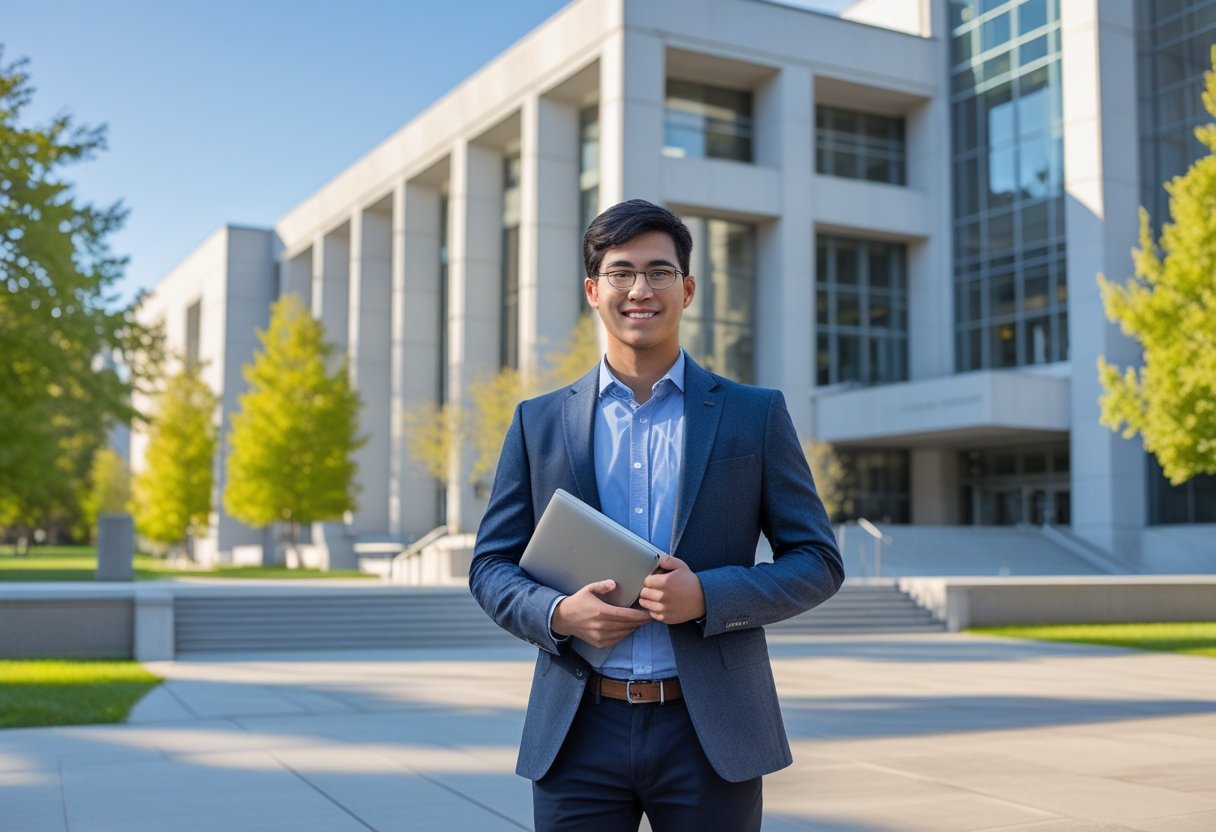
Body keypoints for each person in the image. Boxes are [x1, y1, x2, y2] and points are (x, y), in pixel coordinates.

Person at [469, 199, 844, 831]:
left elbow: (818, 562)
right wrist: (559, 613)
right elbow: (490, 566)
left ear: (688, 288)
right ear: (594, 289)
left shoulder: (753, 414)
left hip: (710, 733)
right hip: (577, 729)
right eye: (621, 272)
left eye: (659, 272)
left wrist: (710, 595)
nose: (640, 289)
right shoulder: (540, 422)